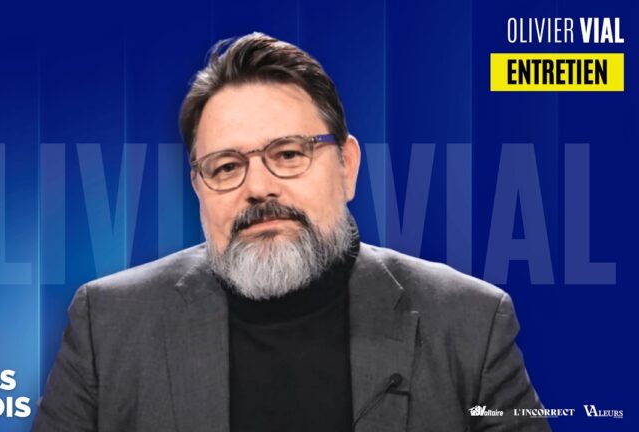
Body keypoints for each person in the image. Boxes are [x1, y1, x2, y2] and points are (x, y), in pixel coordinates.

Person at [33, 32, 550, 432]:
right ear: (199, 188)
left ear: (347, 166)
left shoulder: (470, 324)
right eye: (226, 166)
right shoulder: (108, 324)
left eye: (288, 154)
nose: (259, 187)